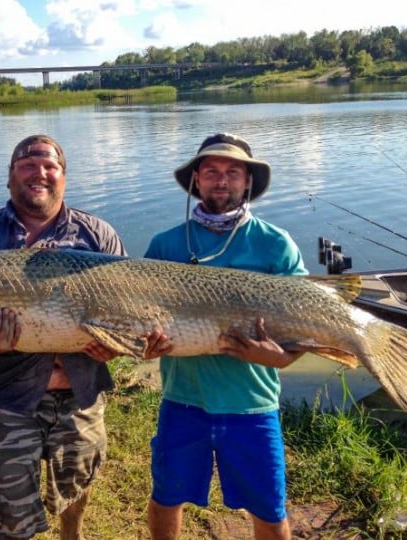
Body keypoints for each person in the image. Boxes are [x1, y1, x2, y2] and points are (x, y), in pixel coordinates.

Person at [0, 134, 126, 540]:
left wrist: (113, 348)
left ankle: (72, 535)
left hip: (80, 391)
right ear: (10, 177)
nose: (40, 173)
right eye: (27, 164)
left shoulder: (98, 236)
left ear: (64, 176)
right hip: (4, 394)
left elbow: (124, 314)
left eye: (50, 166)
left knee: (76, 484)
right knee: (4, 503)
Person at [143, 133, 308, 540]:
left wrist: (281, 359)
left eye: (233, 172)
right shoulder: (165, 245)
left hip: (252, 405)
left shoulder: (276, 245)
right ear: (196, 180)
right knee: (166, 497)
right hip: (183, 401)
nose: (222, 180)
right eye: (212, 171)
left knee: (270, 510)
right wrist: (145, 345)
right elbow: (141, 320)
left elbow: (305, 328)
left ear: (247, 182)